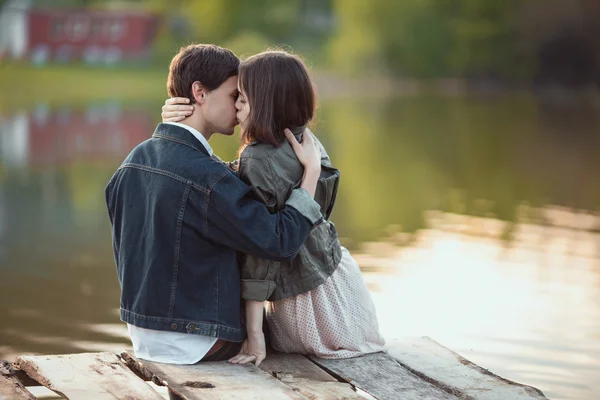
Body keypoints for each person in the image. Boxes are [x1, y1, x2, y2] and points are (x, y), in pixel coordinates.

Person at [105, 44, 326, 365]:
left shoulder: (132, 161)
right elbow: (280, 242)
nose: (239, 106)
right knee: (300, 335)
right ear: (199, 93)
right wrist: (311, 173)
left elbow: (194, 185)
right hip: (199, 339)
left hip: (144, 334)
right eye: (233, 94)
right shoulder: (206, 178)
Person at [162, 50, 385, 366]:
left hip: (305, 304)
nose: (237, 104)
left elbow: (261, 254)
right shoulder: (306, 142)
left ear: (265, 102)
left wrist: (255, 334)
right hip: (342, 290)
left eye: (243, 97)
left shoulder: (258, 158)